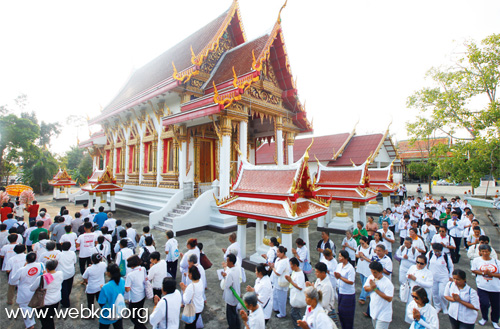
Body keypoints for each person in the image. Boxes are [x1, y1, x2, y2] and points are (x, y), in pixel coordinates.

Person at [11, 252, 44, 329]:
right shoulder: (41, 265)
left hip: (25, 291)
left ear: (26, 260)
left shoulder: (22, 269)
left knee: (25, 307)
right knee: (37, 304)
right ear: (35, 258)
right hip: (37, 289)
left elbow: (13, 280)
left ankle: (30, 324)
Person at [471, 244, 500, 328]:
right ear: (480, 252)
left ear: (490, 252)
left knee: (496, 305)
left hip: (495, 288)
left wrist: (491, 274)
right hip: (482, 286)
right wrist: (483, 273)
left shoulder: (496, 262)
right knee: (484, 303)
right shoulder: (476, 260)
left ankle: (495, 320)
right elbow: (474, 270)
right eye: (483, 251)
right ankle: (484, 317)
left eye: (486, 251)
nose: (485, 253)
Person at [30, 259, 63, 329]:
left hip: (45, 302)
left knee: (45, 320)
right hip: (56, 300)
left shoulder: (42, 278)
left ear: (47, 268)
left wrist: (45, 274)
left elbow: (32, 288)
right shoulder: (60, 273)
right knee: (50, 318)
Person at [306, 261, 338, 327]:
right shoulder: (319, 280)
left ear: (323, 273)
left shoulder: (326, 286)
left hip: (325, 312)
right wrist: (312, 288)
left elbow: (324, 303)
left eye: (317, 272)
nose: (315, 273)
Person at [363, 261, 394, 329]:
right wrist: (371, 287)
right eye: (372, 272)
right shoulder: (371, 277)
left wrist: (375, 289)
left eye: (375, 272)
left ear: (381, 272)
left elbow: (389, 298)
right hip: (374, 311)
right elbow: (366, 288)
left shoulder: (387, 283)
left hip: (384, 314)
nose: (373, 274)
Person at [405, 255, 434, 323]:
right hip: (412, 293)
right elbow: (407, 275)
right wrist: (408, 276)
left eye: (421, 263)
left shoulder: (428, 273)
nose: (419, 265)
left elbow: (430, 284)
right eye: (417, 262)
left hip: (422, 296)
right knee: (412, 309)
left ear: (425, 264)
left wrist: (416, 280)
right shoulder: (412, 267)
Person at [427, 243, 454, 314]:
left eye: (439, 252)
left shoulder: (445, 256)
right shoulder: (430, 254)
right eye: (435, 251)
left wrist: (451, 276)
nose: (437, 253)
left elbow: (451, 266)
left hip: (443, 277)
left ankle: (444, 307)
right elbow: (426, 264)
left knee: (442, 293)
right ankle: (437, 307)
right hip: (433, 277)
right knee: (434, 293)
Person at [98, 263, 126, 329]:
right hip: (119, 310)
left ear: (109, 273)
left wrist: (102, 288)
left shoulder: (105, 287)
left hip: (107, 313)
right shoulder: (122, 281)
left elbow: (101, 302)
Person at [334, 250, 356, 329]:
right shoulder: (339, 265)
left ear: (345, 258)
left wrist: (340, 277)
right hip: (341, 291)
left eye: (341, 256)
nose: (339, 258)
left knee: (347, 314)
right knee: (341, 312)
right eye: (339, 256)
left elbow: (351, 281)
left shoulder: (350, 268)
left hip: (348, 293)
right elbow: (337, 275)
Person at [125, 255, 147, 329]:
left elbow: (127, 289)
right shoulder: (143, 269)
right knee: (139, 314)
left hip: (135, 298)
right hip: (142, 295)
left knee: (133, 318)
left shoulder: (130, 275)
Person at [286, 257, 307, 329]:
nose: (290, 266)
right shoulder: (295, 272)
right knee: (297, 313)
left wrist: (290, 281)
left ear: (295, 265)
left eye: (291, 265)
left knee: (294, 314)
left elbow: (300, 287)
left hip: (297, 298)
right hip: (294, 296)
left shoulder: (300, 274)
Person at [270, 245, 290, 318]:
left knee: (281, 299)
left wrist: (273, 268)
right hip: (276, 281)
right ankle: (276, 308)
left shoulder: (284, 261)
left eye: (278, 252)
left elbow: (278, 272)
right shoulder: (278, 259)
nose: (277, 254)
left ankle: (282, 313)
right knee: (274, 295)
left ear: (283, 253)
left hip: (281, 282)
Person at [222, 253, 241, 329]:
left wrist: (224, 277)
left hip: (231, 296)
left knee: (231, 315)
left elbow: (227, 285)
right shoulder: (236, 269)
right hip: (236, 293)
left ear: (231, 262)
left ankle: (232, 327)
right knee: (234, 312)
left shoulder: (230, 273)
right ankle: (237, 326)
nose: (226, 263)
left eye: (227, 261)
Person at [57, 241, 77, 308]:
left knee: (63, 289)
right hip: (71, 272)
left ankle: (65, 302)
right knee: (69, 286)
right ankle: (66, 298)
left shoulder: (59, 254)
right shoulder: (72, 253)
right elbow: (75, 262)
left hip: (63, 274)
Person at [356, 236, 375, 305]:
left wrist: (363, 256)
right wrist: (360, 256)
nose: (361, 244)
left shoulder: (370, 250)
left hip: (367, 269)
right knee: (362, 282)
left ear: (366, 242)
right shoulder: (359, 247)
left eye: (363, 243)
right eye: (360, 243)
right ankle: (368, 292)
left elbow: (371, 260)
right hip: (361, 267)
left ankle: (362, 297)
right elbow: (356, 255)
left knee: (365, 283)